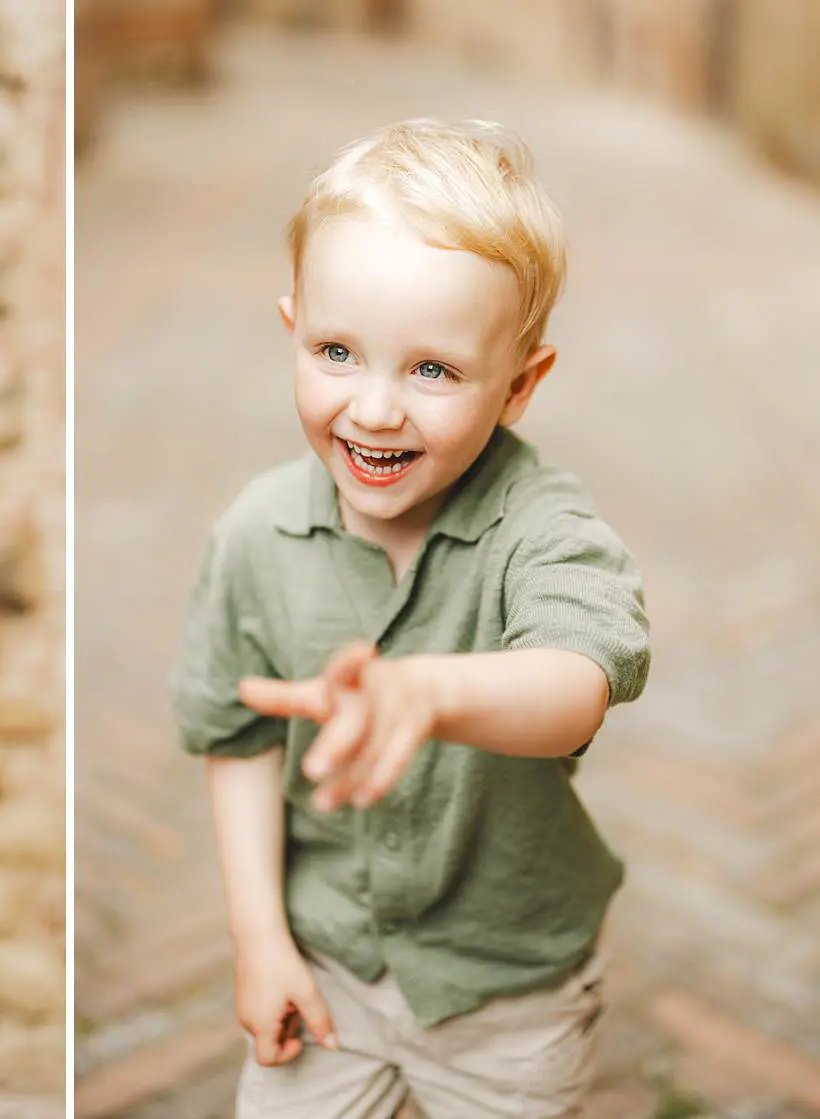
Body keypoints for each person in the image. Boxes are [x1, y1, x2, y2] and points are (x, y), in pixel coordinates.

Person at [172, 119, 650, 1119]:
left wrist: (430, 690)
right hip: (327, 964)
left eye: (433, 370)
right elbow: (238, 740)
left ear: (520, 384)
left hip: (508, 991)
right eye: (337, 352)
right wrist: (261, 943)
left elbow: (577, 679)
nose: (376, 410)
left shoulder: (543, 528)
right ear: (292, 325)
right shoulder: (255, 536)